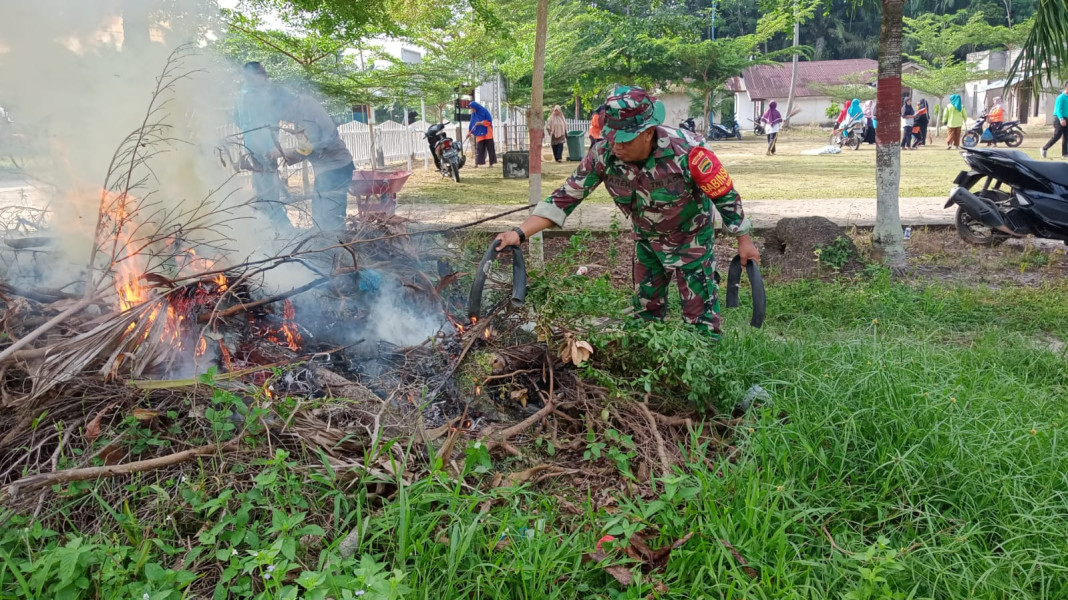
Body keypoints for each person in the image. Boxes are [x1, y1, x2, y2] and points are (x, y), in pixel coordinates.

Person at [493, 86, 759, 337]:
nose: (616, 146)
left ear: (648, 132)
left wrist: (743, 240)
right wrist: (519, 233)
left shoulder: (689, 150)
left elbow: (724, 195)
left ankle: (706, 377)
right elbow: (564, 198)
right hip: (646, 244)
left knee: (701, 322)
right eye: (612, 137)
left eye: (625, 139)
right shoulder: (604, 154)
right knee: (645, 316)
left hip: (692, 241)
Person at [268, 90, 356, 233]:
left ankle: (336, 247)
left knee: (330, 214)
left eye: (283, 113)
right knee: (321, 212)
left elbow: (308, 148)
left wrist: (281, 153)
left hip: (336, 167)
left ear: (288, 104)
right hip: (328, 169)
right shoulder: (301, 109)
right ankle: (326, 243)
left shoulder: (307, 110)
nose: (285, 118)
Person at [233, 62, 289, 227]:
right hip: (264, 147)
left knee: (261, 184)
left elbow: (236, 118)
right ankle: (277, 226)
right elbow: (271, 119)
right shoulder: (256, 94)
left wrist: (247, 132)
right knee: (269, 188)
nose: (265, 77)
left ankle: (265, 224)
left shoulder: (242, 94)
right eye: (261, 73)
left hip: (252, 145)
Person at [1041, 83, 1068, 159]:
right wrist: (1061, 119)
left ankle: (1065, 154)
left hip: (1067, 119)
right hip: (1059, 119)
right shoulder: (1061, 97)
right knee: (1057, 136)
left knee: (1066, 137)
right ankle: (1044, 148)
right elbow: (1058, 110)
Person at [468, 101, 497, 167]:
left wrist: (481, 123)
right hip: (479, 132)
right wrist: (469, 132)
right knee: (479, 148)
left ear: (476, 107)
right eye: (471, 108)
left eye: (472, 108)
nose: (472, 110)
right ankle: (477, 163)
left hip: (487, 132)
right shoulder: (474, 114)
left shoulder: (484, 111)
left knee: (490, 148)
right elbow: (472, 123)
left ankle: (491, 163)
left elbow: (489, 121)